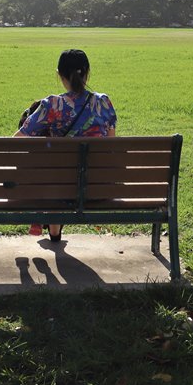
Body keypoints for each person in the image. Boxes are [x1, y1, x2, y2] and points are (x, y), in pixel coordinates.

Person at [16, 49, 117, 241]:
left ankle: (49, 224)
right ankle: (54, 229)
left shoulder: (52, 105)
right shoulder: (104, 103)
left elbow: (17, 141)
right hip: (96, 189)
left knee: (48, 166)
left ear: (59, 75)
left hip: (58, 189)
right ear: (88, 72)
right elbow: (110, 148)